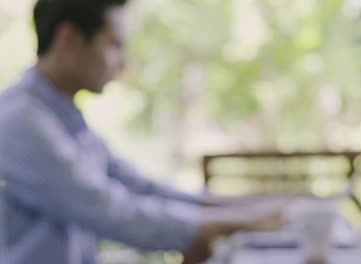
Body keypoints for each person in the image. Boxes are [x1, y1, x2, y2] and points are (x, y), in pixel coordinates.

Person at [0, 0, 287, 263]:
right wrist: (241, 219)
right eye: (114, 45)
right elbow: (115, 212)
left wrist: (247, 206)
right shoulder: (21, 122)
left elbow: (138, 187)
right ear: (69, 39)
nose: (122, 63)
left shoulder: (61, 116)